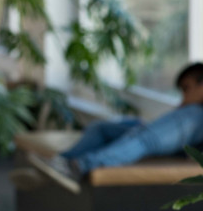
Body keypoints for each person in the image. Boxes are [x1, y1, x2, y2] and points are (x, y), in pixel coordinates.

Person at [30, 62, 203, 192]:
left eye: (186, 89)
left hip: (190, 147)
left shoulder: (194, 113)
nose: (184, 98)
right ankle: (60, 162)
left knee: (144, 137)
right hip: (184, 144)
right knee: (102, 128)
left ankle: (78, 167)